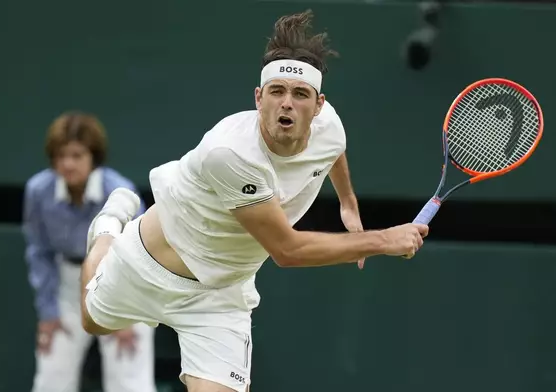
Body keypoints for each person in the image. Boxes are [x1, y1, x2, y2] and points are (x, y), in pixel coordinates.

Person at [80, 10, 428, 392]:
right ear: (258, 98)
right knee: (91, 321)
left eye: (300, 95)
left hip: (221, 294)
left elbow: (334, 150)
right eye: (276, 92)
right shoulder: (231, 153)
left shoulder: (330, 126)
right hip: (146, 263)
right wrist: (384, 240)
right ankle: (108, 228)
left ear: (319, 105)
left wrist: (347, 201)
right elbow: (287, 250)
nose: (287, 104)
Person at [22, 112, 157, 392]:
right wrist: (48, 313)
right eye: (61, 156)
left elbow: (138, 255)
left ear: (93, 157)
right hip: (67, 286)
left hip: (123, 285)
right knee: (51, 380)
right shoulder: (38, 191)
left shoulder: (120, 191)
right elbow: (40, 252)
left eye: (76, 155)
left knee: (129, 382)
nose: (68, 164)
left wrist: (126, 314)